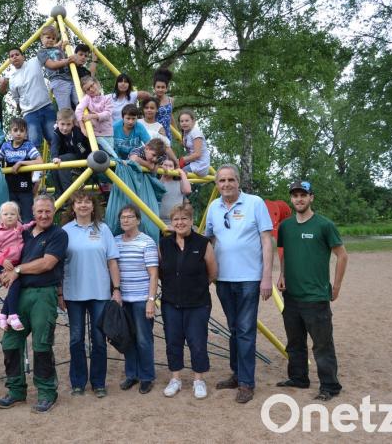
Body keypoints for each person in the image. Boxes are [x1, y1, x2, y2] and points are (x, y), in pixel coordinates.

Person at [0, 195, 68, 413]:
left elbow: (47, 263)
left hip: (43, 293)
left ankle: (46, 392)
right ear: (33, 212)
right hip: (19, 293)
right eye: (39, 211)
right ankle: (15, 390)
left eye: (48, 211)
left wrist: (17, 270)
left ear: (54, 212)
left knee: (41, 343)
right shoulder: (22, 233)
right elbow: (1, 250)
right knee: (10, 341)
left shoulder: (58, 234)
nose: (43, 215)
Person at [204, 164, 274, 404]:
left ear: (238, 181)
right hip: (223, 279)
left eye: (230, 180)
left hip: (249, 278)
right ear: (217, 184)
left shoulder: (255, 203)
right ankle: (236, 374)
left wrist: (266, 277)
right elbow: (208, 239)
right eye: (221, 181)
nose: (226, 184)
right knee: (234, 329)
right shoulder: (214, 207)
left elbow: (266, 240)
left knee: (245, 331)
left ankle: (246, 383)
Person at [276, 181, 348, 401]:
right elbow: (285, 253)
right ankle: (299, 378)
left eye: (303, 195)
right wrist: (282, 275)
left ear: (311, 198)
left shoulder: (324, 225)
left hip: (316, 296)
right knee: (295, 342)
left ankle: (329, 385)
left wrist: (335, 286)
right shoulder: (286, 227)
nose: (299, 199)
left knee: (322, 344)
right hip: (292, 296)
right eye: (295, 195)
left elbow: (342, 255)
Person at [61, 190, 121, 398]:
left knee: (98, 338)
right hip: (73, 293)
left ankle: (98, 382)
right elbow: (58, 264)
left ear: (94, 206)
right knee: (76, 339)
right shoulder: (65, 231)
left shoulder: (103, 230)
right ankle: (78, 382)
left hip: (99, 293)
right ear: (73, 207)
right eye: (79, 202)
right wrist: (60, 293)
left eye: (88, 201)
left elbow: (112, 260)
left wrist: (116, 289)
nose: (84, 205)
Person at [159, 203, 218, 399]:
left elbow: (213, 272)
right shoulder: (164, 244)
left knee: (197, 341)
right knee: (173, 341)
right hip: (171, 303)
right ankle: (175, 378)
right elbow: (161, 271)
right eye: (176, 219)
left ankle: (198, 380)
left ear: (192, 221)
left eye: (184, 218)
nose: (180, 222)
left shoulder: (203, 243)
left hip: (198, 303)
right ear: (171, 222)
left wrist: (195, 285)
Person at [114, 205, 159, 395]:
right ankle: (132, 374)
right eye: (123, 217)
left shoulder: (146, 242)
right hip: (123, 299)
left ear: (138, 220)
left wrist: (151, 299)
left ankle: (147, 376)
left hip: (141, 298)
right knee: (128, 338)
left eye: (130, 217)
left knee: (143, 339)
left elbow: (153, 273)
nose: (125, 220)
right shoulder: (115, 242)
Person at [0, 201, 36, 331]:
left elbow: (26, 226)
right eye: (6, 214)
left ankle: (2, 315)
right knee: (15, 286)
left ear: (18, 216)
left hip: (16, 263)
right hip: (4, 263)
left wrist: (33, 223)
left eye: (12, 214)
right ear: (0, 217)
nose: (9, 216)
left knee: (17, 287)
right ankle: (12, 315)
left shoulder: (19, 227)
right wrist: (1, 260)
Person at [6, 47, 57, 150]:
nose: (15, 57)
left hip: (46, 106)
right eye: (12, 56)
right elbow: (16, 98)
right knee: (34, 143)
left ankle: (60, 164)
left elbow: (50, 50)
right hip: (30, 113)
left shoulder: (34, 61)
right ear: (10, 61)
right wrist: (21, 110)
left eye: (17, 54)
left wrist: (60, 45)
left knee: (55, 138)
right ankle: (37, 165)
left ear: (23, 56)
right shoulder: (12, 79)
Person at [0, 117, 43, 223]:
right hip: (10, 188)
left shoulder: (28, 145)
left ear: (26, 132)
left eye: (21, 131)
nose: (18, 133)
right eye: (15, 130)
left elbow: (40, 161)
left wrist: (21, 163)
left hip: (25, 189)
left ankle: (28, 238)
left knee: (27, 218)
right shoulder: (6, 146)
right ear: (10, 132)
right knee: (11, 218)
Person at [50, 108, 91, 198]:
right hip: (67, 156)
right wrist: (54, 157)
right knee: (53, 163)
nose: (65, 128)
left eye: (68, 124)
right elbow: (54, 146)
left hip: (83, 157)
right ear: (57, 123)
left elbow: (84, 150)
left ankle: (69, 196)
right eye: (62, 124)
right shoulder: (56, 133)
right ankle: (59, 193)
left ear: (73, 124)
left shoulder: (77, 132)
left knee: (63, 160)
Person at [37, 25, 78, 110]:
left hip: (70, 79)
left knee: (80, 103)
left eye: (53, 38)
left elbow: (63, 39)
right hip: (58, 81)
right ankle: (66, 122)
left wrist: (64, 32)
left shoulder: (56, 48)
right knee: (65, 109)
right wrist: (67, 61)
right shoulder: (42, 52)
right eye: (48, 37)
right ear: (41, 38)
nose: (51, 40)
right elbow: (52, 65)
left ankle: (82, 122)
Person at [74, 76, 115, 157]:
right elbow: (78, 110)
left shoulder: (107, 98)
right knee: (104, 155)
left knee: (110, 156)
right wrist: (82, 128)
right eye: (88, 89)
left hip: (108, 133)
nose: (91, 90)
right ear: (85, 92)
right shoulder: (87, 98)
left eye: (92, 85)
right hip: (96, 134)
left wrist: (92, 116)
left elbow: (107, 114)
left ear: (97, 83)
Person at [158, 158, 192, 226]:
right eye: (165, 165)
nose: (168, 168)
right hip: (157, 221)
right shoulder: (158, 182)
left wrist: (182, 172)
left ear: (174, 168)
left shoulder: (179, 183)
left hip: (175, 222)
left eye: (170, 166)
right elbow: (158, 190)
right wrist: (163, 174)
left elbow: (187, 190)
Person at [176, 109, 211, 176]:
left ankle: (185, 185)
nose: (184, 123)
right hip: (192, 161)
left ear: (193, 121)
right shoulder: (186, 133)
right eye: (182, 121)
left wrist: (182, 160)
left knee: (179, 172)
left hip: (200, 164)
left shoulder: (195, 133)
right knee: (172, 165)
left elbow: (197, 154)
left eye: (187, 121)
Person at [153, 68, 176, 141]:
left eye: (163, 87)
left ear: (166, 88)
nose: (160, 89)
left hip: (167, 133)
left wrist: (177, 132)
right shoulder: (151, 100)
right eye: (158, 87)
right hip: (154, 133)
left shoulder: (171, 100)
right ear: (154, 88)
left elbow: (170, 116)